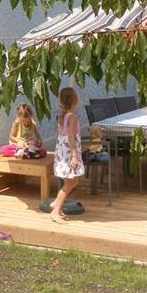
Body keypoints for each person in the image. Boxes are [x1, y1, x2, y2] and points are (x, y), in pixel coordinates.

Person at [50, 87, 84, 223]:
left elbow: (61, 135)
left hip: (62, 151)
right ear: (75, 100)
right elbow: (70, 136)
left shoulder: (62, 116)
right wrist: (74, 155)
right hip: (69, 151)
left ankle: (57, 206)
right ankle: (55, 209)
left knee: (71, 180)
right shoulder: (72, 117)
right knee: (71, 181)